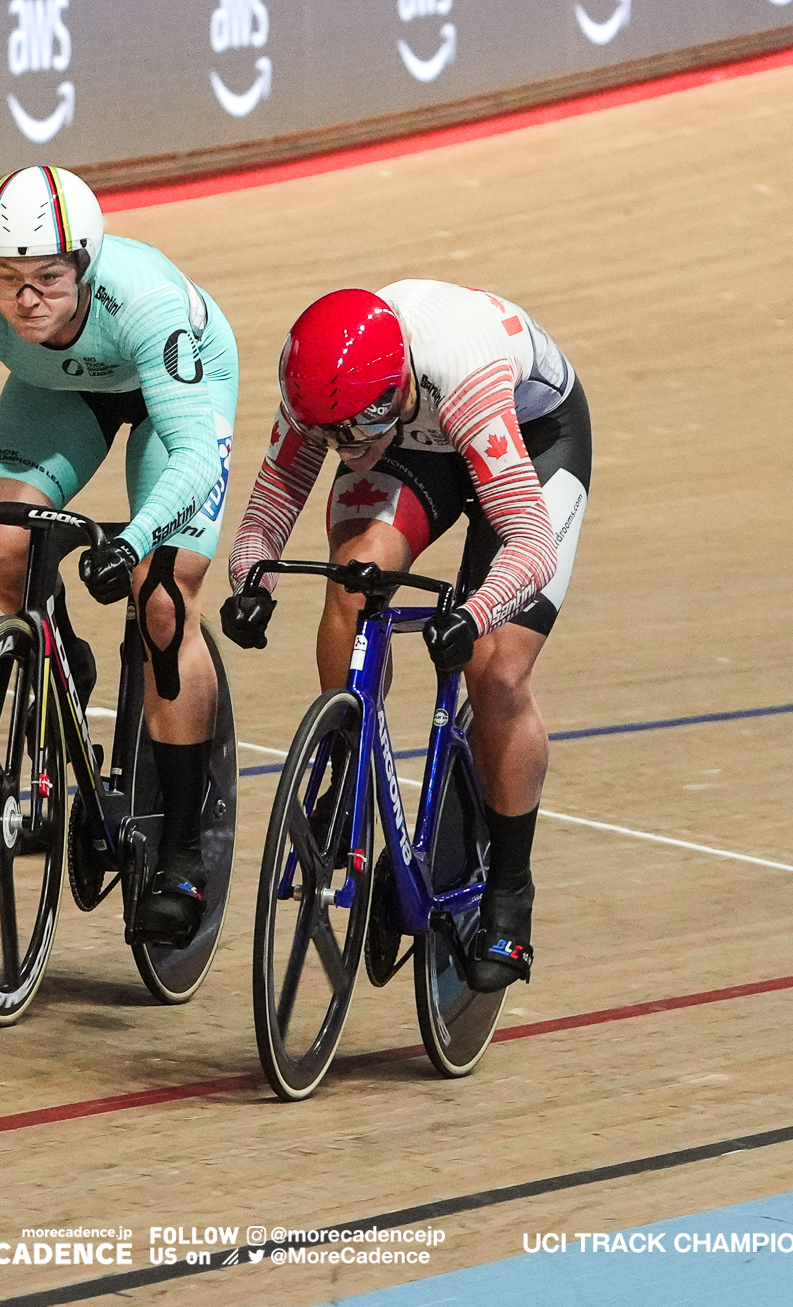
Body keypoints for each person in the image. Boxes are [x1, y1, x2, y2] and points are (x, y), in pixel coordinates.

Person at [0, 165, 238, 948]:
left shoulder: (141, 299)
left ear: (86, 262)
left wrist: (134, 541)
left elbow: (195, 457)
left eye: (46, 278)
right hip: (62, 388)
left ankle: (182, 852)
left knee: (162, 595)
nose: (25, 298)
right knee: (0, 539)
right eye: (8, 279)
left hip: (176, 390)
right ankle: (59, 655)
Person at [221, 282, 590, 991]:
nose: (340, 450)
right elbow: (270, 505)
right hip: (414, 440)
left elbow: (531, 544)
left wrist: (475, 614)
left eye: (351, 433)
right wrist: (252, 584)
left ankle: (510, 890)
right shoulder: (322, 386)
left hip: (530, 438)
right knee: (353, 578)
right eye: (328, 436)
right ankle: (348, 769)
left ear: (394, 388)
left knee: (496, 669)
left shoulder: (463, 376)